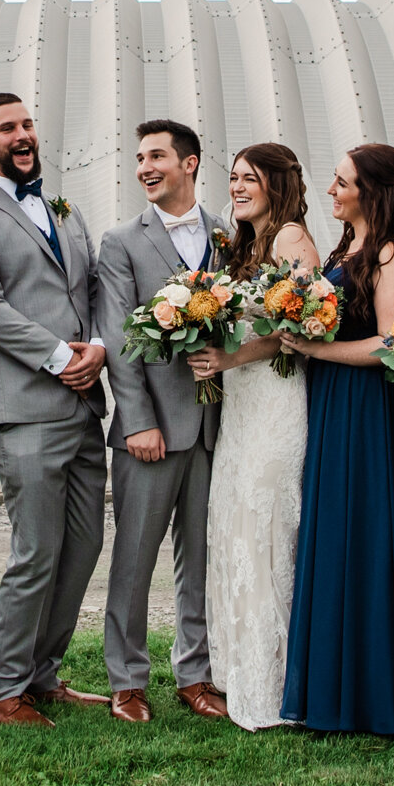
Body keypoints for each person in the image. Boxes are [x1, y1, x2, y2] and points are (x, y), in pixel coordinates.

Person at [0, 93, 111, 726]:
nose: (22, 134)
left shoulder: (64, 208)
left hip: (84, 403)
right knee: (36, 548)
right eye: (7, 128)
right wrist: (58, 358)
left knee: (85, 543)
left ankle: (44, 673)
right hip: (21, 408)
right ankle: (1, 686)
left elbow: (91, 287)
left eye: (27, 124)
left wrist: (95, 347)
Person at [279, 143, 394, 738]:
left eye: (341, 183)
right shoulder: (346, 248)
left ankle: (371, 692)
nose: (331, 191)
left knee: (365, 533)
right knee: (333, 532)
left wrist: (317, 349)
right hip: (335, 402)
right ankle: (332, 685)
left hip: (370, 408)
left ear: (371, 191)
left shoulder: (392, 255)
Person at [94, 121, 231, 723]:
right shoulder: (121, 240)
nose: (145, 167)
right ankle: (126, 680)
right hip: (150, 430)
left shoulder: (229, 236)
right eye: (139, 158)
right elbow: (121, 337)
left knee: (200, 556)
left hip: (215, 427)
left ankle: (194, 674)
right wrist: (137, 422)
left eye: (157, 157)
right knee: (135, 558)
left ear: (190, 163)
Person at [190, 142, 318, 731]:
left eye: (250, 179)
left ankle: (281, 685)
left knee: (270, 530)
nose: (237, 187)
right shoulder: (239, 243)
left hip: (277, 399)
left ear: (277, 184)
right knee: (237, 527)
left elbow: (302, 327)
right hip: (241, 405)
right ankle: (241, 677)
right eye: (234, 177)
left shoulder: (291, 238)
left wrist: (230, 356)